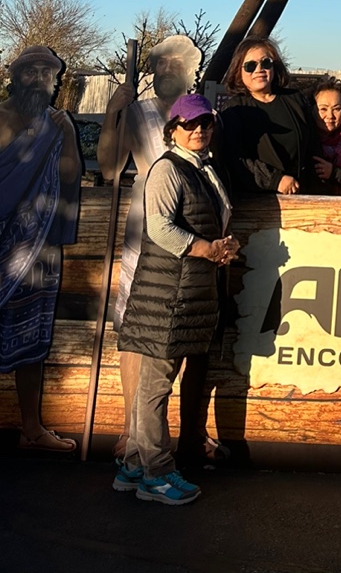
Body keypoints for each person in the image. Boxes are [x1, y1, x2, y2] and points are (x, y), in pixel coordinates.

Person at [113, 93, 240, 505]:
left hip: (187, 289)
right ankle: (156, 473)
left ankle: (134, 465)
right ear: (173, 130)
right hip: (167, 291)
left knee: (156, 382)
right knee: (156, 384)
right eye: (190, 124)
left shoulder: (203, 167)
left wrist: (223, 246)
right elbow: (160, 228)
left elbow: (210, 221)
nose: (199, 130)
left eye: (206, 123)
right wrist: (207, 249)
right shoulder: (168, 169)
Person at [99, 34, 218, 460]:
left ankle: (185, 433)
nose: (169, 69)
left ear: (189, 71)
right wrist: (114, 112)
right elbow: (110, 168)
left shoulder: (203, 116)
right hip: (147, 231)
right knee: (139, 331)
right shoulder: (137, 112)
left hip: (194, 231)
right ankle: (133, 433)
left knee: (186, 332)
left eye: (177, 64)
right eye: (162, 63)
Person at [0, 46, 81, 453]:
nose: (37, 79)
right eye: (29, 71)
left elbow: (69, 177)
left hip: (36, 245)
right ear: (14, 77)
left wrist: (68, 136)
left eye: (46, 73)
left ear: (55, 81)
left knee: (31, 336)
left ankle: (31, 429)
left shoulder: (55, 124)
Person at [219, 36, 319, 196]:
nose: (259, 69)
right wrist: (275, 180)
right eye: (250, 66)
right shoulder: (233, 110)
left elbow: (313, 146)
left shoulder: (295, 99)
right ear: (238, 70)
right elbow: (234, 158)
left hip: (301, 196)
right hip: (257, 201)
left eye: (265, 63)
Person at [310, 81, 341, 194]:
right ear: (313, 110)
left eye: (336, 109)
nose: (330, 116)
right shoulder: (304, 141)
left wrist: (335, 173)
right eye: (323, 109)